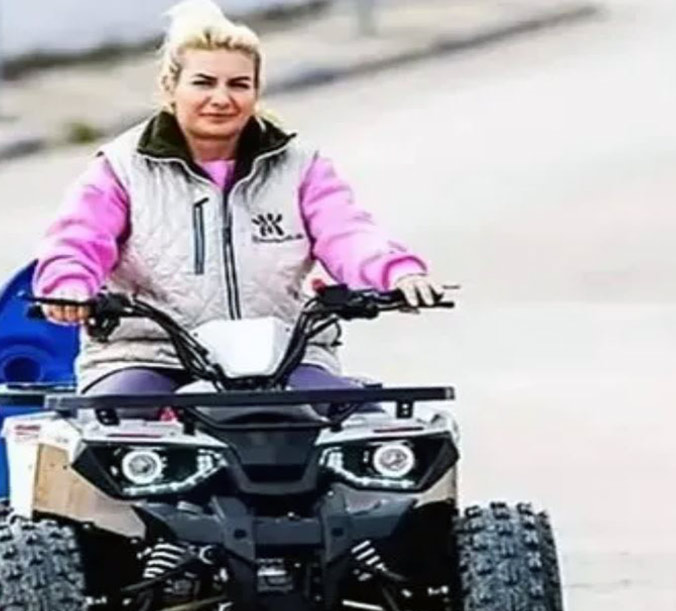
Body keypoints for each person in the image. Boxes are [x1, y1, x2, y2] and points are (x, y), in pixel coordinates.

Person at [32, 0, 443, 399]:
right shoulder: (121, 167)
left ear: (256, 91)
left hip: (283, 354)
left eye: (238, 84)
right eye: (204, 82)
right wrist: (69, 286)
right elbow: (77, 239)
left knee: (363, 435)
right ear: (169, 87)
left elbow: (348, 233)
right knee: (117, 427)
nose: (221, 98)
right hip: (149, 353)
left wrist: (397, 274)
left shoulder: (300, 167)